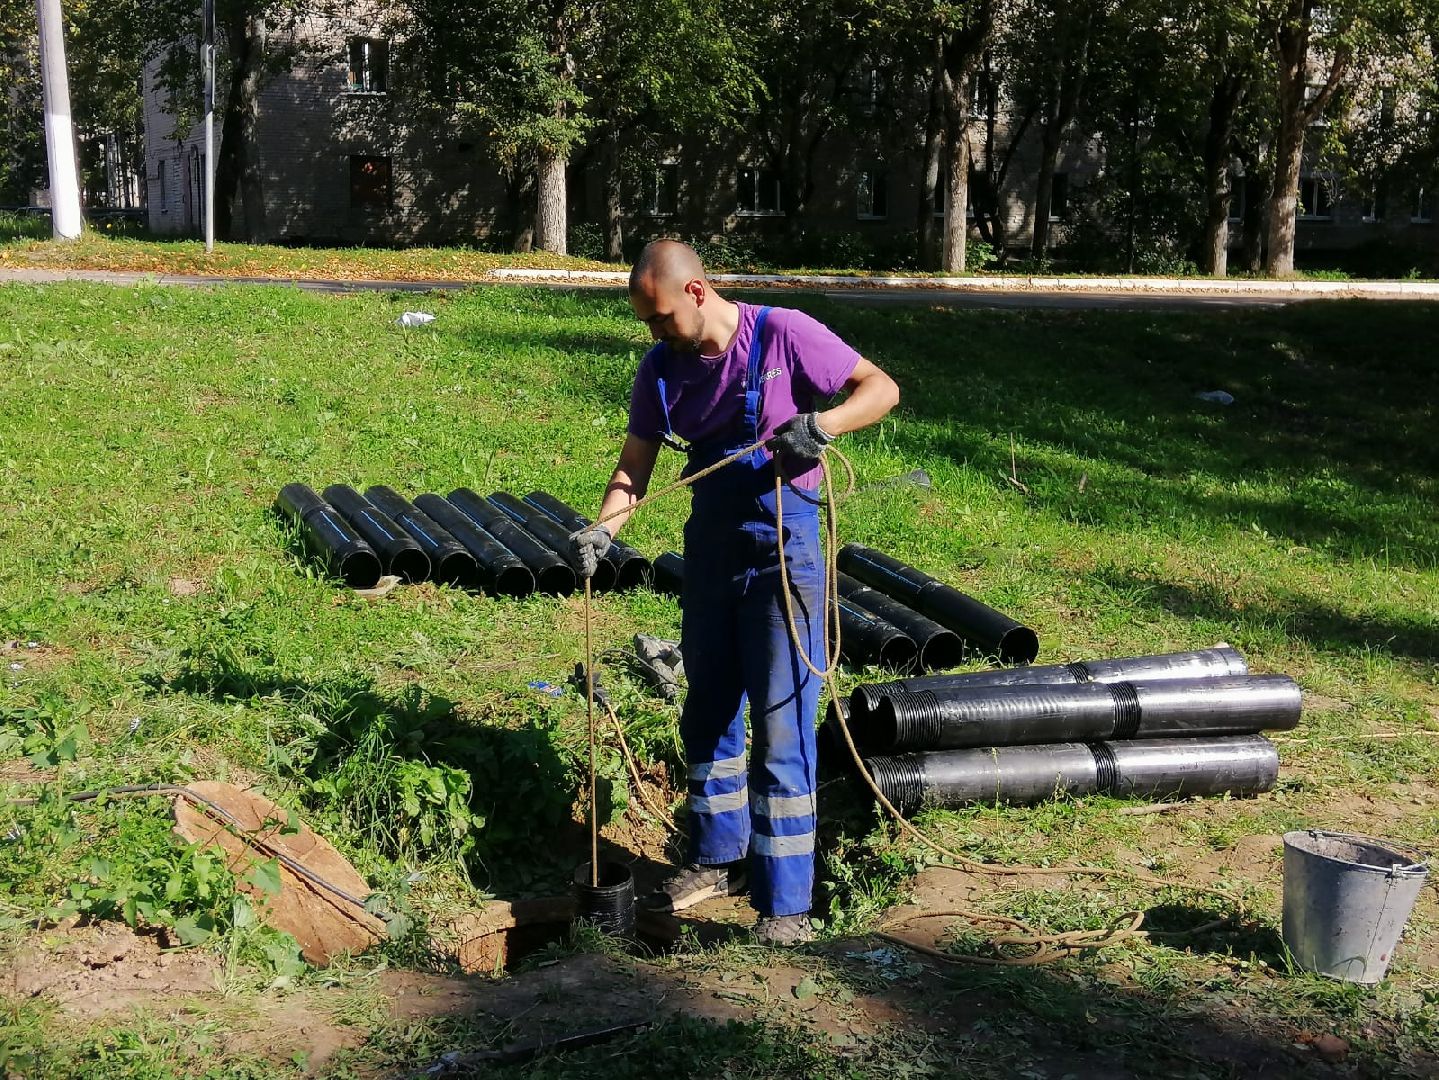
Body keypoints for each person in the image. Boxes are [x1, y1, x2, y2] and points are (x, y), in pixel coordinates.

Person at [570, 240, 899, 945]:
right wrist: (603, 529)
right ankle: (719, 858)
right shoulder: (660, 369)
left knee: (782, 729)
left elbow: (881, 387)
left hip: (784, 551)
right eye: (647, 325)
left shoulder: (783, 334)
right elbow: (634, 468)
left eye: (661, 319)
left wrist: (823, 425)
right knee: (708, 709)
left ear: (695, 293)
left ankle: (786, 907)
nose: (655, 335)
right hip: (712, 552)